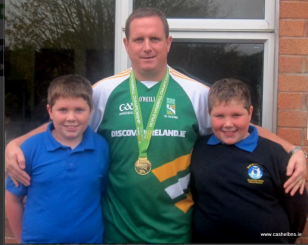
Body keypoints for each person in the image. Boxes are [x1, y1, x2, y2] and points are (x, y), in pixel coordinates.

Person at [4, 8, 307, 243]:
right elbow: (63, 123)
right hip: (116, 230)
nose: (147, 47)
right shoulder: (104, 91)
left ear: (168, 42)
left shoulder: (196, 93)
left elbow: (241, 126)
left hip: (176, 231)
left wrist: (293, 150)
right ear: (126, 44)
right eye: (138, 39)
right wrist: (15, 144)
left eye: (154, 39)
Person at [191, 78, 308, 243]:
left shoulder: (275, 154)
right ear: (209, 113)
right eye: (219, 116)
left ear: (250, 113)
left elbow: (297, 208)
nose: (228, 124)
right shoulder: (199, 150)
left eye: (236, 115)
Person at [5, 75, 110, 243]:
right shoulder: (30, 148)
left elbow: (101, 191)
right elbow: (13, 198)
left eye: (79, 110)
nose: (71, 118)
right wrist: (21, 240)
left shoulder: (101, 148)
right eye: (63, 110)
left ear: (90, 111)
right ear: (50, 111)